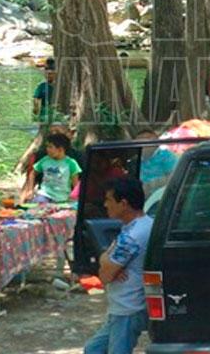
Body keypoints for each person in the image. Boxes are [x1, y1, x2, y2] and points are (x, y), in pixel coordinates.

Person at [86, 177, 153, 354]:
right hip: (123, 307)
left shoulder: (132, 237)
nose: (105, 205)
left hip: (128, 308)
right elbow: (107, 263)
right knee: (93, 350)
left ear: (123, 203)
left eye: (108, 200)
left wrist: (108, 260)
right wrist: (107, 259)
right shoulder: (143, 225)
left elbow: (105, 276)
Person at [21, 133, 81, 204]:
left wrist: (76, 198)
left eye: (50, 147)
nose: (47, 149)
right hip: (44, 195)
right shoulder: (45, 160)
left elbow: (76, 184)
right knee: (37, 208)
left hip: (63, 198)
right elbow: (32, 173)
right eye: (47, 147)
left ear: (60, 149)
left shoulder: (71, 163)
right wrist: (30, 190)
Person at [33, 58, 57, 122]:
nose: (47, 76)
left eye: (50, 74)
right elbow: (36, 98)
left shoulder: (59, 85)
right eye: (46, 74)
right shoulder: (42, 86)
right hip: (44, 115)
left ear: (55, 74)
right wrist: (36, 108)